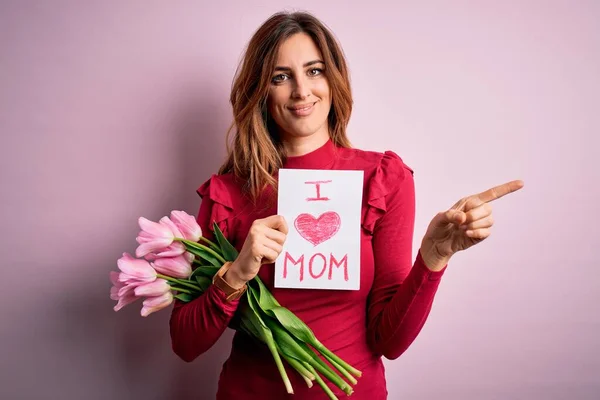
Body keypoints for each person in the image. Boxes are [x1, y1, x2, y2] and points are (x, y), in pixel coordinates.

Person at [169, 10, 524, 400]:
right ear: (262, 91)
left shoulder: (383, 179)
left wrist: (434, 256)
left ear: (333, 79)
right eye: (280, 77)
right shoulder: (228, 193)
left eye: (314, 71)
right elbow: (185, 344)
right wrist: (236, 274)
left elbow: (390, 342)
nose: (302, 90)